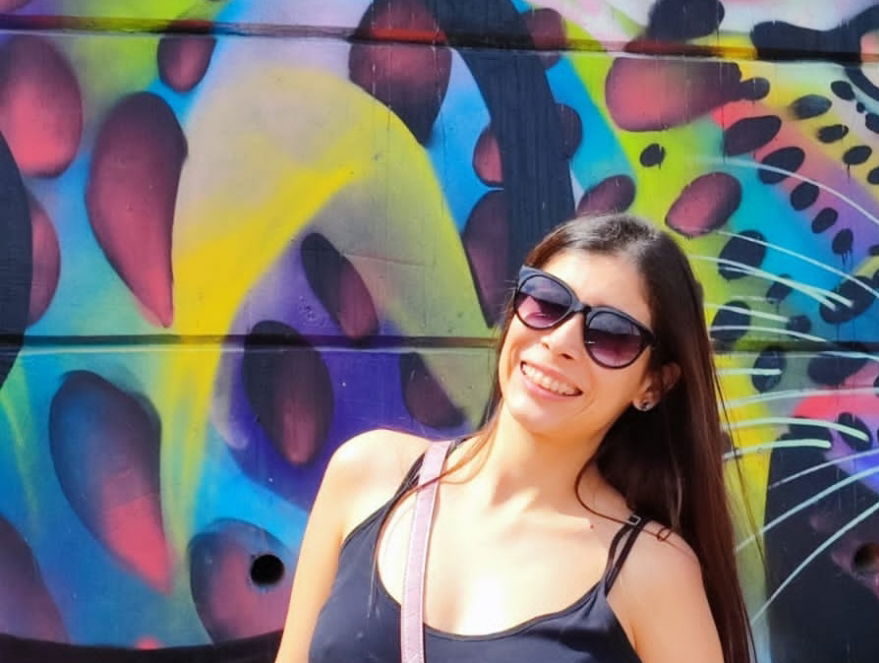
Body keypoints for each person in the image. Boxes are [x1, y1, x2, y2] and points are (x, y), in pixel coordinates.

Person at [275, 213, 754, 663]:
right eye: (547, 302)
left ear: (653, 384)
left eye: (611, 334)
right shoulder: (367, 475)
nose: (560, 342)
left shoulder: (653, 571)